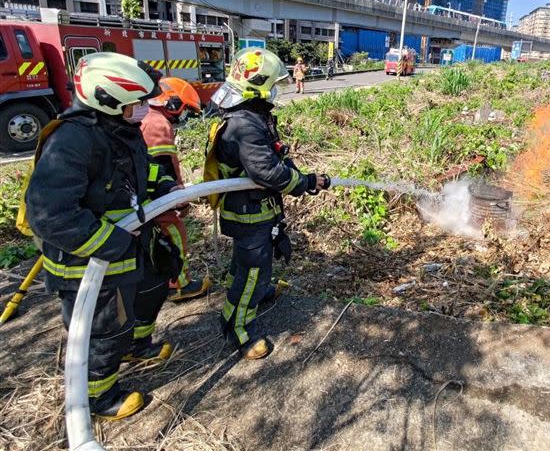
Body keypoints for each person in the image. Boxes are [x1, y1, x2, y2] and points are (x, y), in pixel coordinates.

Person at [24, 53, 177, 421]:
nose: (143, 109)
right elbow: (51, 215)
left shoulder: (117, 129)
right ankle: (99, 397)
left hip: (124, 248)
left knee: (151, 288)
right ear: (108, 101)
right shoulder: (73, 141)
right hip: (87, 262)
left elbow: (134, 175)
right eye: (136, 103)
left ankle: (136, 346)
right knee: (105, 328)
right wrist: (113, 242)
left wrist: (164, 187)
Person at [205, 48, 329, 359]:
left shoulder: (247, 116)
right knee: (249, 273)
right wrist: (305, 183)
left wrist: (302, 176)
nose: (276, 91)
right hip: (249, 214)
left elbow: (272, 159)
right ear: (257, 86)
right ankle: (237, 329)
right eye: (273, 84)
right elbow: (266, 171)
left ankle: (257, 294)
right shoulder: (244, 124)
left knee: (249, 268)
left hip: (254, 209)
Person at [140, 77, 211, 302]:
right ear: (172, 103)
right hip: (158, 198)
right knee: (174, 235)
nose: (184, 115)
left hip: (143, 197)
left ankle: (158, 280)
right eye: (185, 109)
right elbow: (162, 166)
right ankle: (179, 284)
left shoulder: (145, 117)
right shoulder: (158, 124)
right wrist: (175, 196)